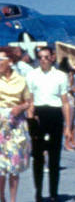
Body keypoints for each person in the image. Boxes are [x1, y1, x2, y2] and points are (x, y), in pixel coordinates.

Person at [25, 46, 72, 202]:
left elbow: (65, 102)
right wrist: (30, 121)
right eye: (40, 57)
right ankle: (38, 192)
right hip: (39, 115)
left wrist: (68, 127)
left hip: (55, 114)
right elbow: (30, 101)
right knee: (37, 158)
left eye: (46, 57)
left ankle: (53, 193)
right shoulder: (32, 75)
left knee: (54, 157)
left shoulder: (60, 76)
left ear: (52, 58)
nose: (43, 60)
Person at [0, 48, 32, 202]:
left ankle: (13, 200)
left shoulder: (21, 79)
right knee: (0, 168)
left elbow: (28, 101)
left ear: (10, 62)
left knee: (14, 166)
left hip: (16, 124)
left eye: (1, 60)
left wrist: (20, 107)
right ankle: (1, 197)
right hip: (0, 125)